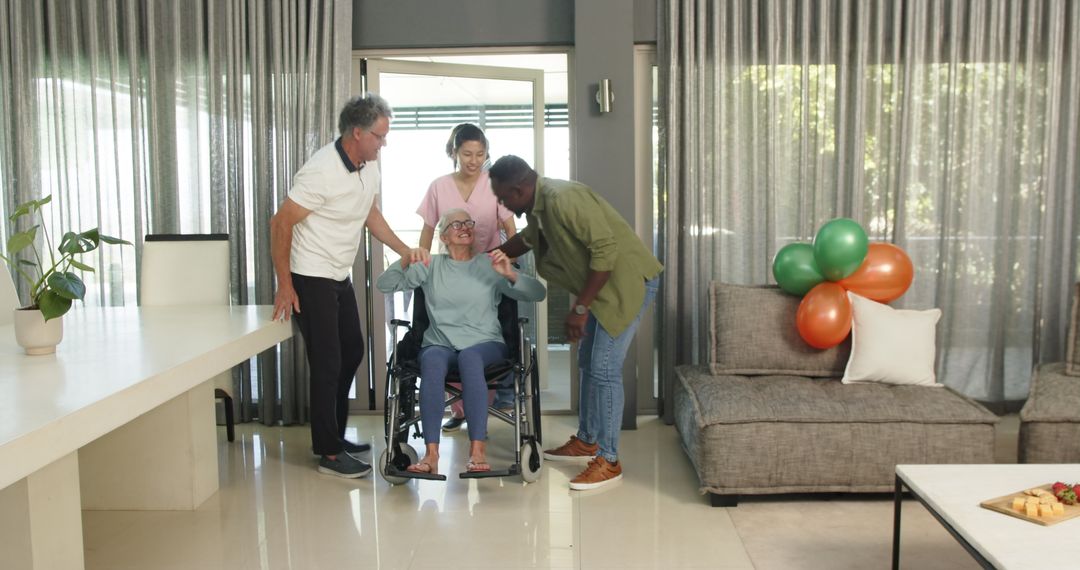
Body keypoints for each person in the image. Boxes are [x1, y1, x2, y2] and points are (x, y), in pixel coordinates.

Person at [270, 93, 429, 479]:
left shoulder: (367, 165)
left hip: (338, 274)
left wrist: (404, 249)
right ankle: (327, 450)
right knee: (327, 362)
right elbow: (281, 223)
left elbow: (369, 214)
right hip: (310, 274)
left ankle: (334, 435)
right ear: (357, 133)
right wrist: (285, 284)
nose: (384, 143)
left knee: (352, 351)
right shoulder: (321, 170)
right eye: (379, 136)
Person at [489, 155, 663, 491]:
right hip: (603, 288)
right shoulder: (541, 205)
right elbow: (527, 238)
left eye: (503, 197)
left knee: (605, 368)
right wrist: (496, 255)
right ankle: (587, 440)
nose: (502, 204)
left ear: (519, 188)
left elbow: (605, 251)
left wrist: (580, 308)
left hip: (628, 281)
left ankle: (609, 460)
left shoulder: (563, 199)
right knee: (587, 361)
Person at [377, 208, 545, 475]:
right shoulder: (430, 266)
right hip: (439, 343)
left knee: (469, 357)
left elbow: (538, 293)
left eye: (468, 222)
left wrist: (510, 274)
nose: (465, 226)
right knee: (431, 359)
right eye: (456, 224)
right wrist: (408, 257)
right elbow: (384, 284)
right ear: (443, 236)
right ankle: (431, 455)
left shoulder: (489, 264)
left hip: (485, 343)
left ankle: (477, 449)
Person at [415, 123, 518, 432]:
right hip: (451, 268)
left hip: (487, 273)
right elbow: (428, 230)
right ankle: (459, 409)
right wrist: (420, 264)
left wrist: (507, 264)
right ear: (454, 153)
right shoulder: (439, 186)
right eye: (467, 154)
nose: (474, 161)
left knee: (492, 330)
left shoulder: (495, 184)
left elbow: (511, 232)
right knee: (447, 331)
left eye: (480, 154)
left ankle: (502, 396)